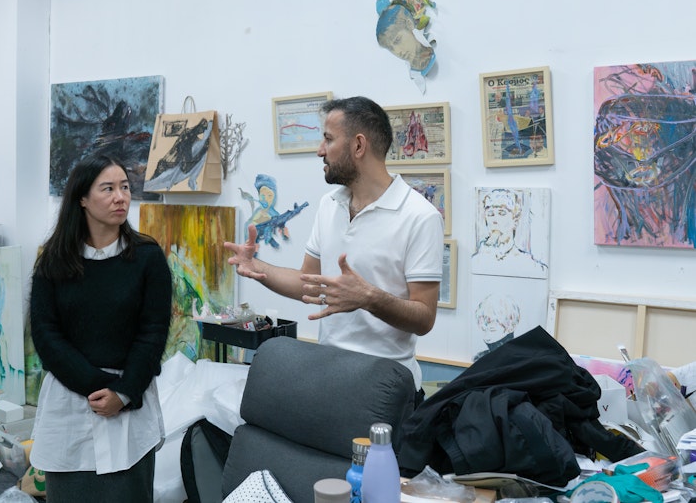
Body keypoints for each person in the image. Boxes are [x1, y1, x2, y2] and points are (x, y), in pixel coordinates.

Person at [224, 96, 444, 401]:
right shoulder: (330, 205)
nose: (320, 150)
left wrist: (369, 298)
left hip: (387, 388)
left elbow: (424, 318)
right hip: (330, 377)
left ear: (358, 146)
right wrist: (259, 268)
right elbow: (311, 285)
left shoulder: (420, 216)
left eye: (328, 139)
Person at [28, 152, 172, 502]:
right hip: (71, 399)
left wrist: (124, 394)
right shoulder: (54, 260)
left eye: (124, 187)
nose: (120, 197)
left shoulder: (148, 258)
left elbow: (153, 333)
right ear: (82, 199)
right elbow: (46, 336)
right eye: (107, 189)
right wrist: (104, 389)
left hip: (129, 402)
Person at [470, 188, 548, 279]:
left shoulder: (528, 264)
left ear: (515, 221)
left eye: (502, 213)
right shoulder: (476, 260)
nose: (495, 220)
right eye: (490, 214)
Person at [473, 293, 521, 361]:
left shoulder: (517, 358)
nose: (486, 337)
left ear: (511, 327)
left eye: (492, 330)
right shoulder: (480, 358)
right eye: (483, 329)